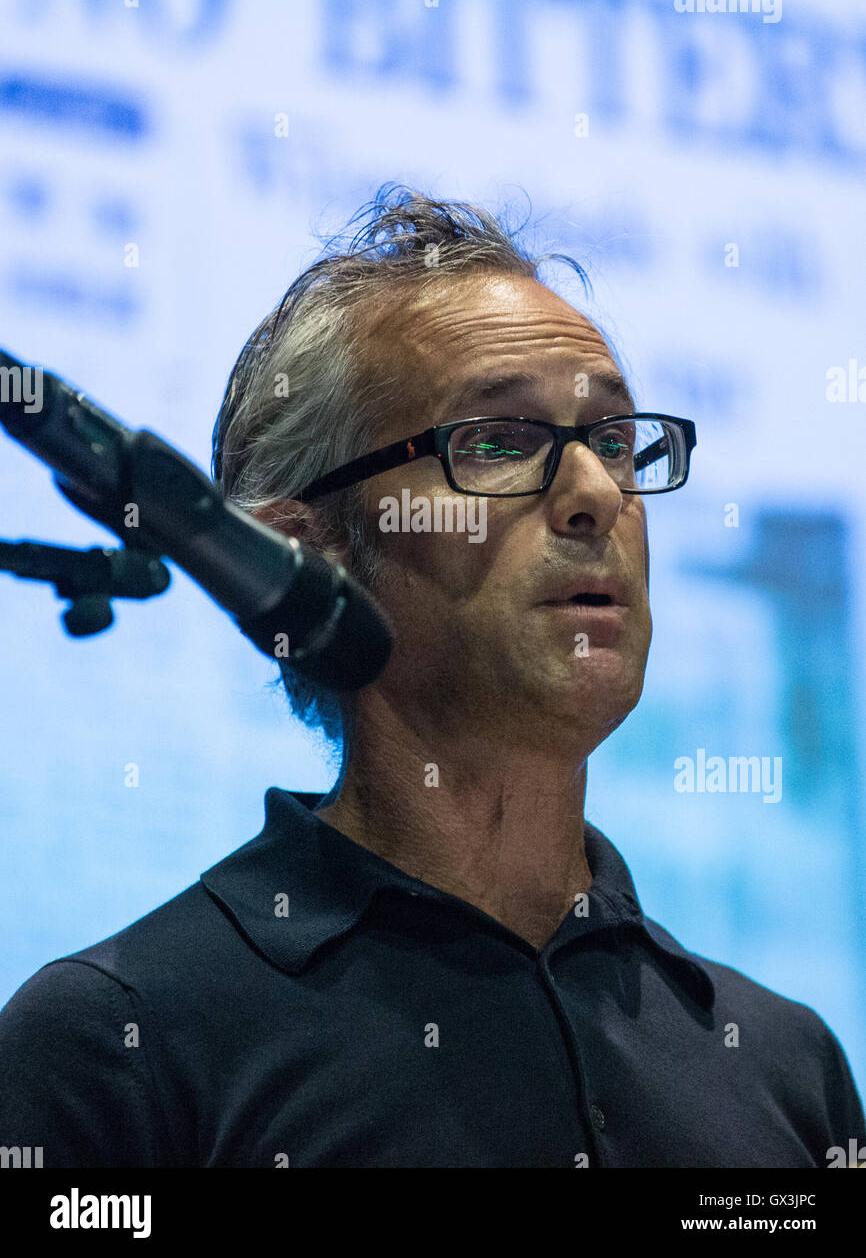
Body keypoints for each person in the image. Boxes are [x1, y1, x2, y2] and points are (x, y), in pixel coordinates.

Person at [0, 185, 862, 1167]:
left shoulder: (789, 1068)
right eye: (497, 441)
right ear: (302, 551)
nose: (593, 494)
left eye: (614, 443)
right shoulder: (116, 1042)